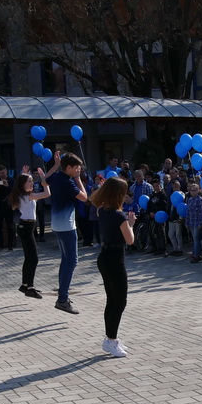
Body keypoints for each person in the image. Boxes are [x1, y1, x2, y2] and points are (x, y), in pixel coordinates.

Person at [90, 177, 135, 357]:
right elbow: (130, 240)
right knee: (120, 301)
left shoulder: (102, 210)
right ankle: (111, 340)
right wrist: (131, 224)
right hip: (115, 260)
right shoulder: (119, 216)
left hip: (105, 257)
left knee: (112, 300)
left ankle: (110, 338)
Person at [45, 152, 89, 315]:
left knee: (65, 261)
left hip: (57, 225)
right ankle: (62, 299)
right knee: (71, 261)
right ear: (69, 167)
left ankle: (62, 296)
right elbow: (84, 198)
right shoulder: (68, 182)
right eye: (76, 168)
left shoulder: (57, 177)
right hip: (66, 226)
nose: (79, 170)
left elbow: (44, 180)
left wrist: (56, 165)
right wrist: (78, 179)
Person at [10, 168, 51, 298]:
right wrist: (44, 180)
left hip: (28, 226)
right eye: (29, 181)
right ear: (23, 184)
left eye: (32, 181)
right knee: (34, 258)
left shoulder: (27, 195)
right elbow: (47, 194)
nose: (32, 183)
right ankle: (30, 287)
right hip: (26, 227)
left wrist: (25, 174)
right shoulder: (27, 196)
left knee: (29, 258)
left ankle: (25, 285)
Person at [0, 165, 14, 251]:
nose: (1, 175)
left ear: (6, 171)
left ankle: (10, 245)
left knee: (10, 226)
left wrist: (7, 186)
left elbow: (14, 191)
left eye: (2, 173)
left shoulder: (11, 180)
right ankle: (0, 244)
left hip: (8, 206)